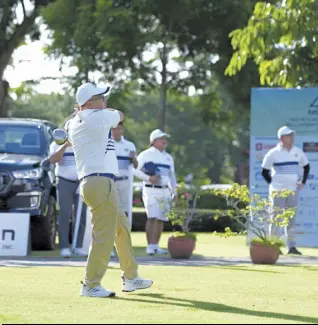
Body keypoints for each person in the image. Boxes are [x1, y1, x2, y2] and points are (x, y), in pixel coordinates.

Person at [68, 82, 153, 298]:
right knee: (103, 236)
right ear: (88, 103)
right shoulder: (97, 118)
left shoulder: (77, 121)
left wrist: (90, 108)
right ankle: (91, 284)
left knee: (121, 228)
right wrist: (103, 110)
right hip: (99, 182)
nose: (105, 101)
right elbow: (120, 115)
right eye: (101, 98)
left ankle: (131, 278)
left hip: (99, 183)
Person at [261, 126, 310, 255]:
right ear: (281, 138)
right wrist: (273, 184)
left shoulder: (297, 152)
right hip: (277, 191)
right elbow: (264, 171)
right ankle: (274, 246)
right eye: (289, 136)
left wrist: (303, 181)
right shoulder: (273, 153)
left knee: (291, 219)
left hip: (292, 190)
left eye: (292, 136)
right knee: (276, 218)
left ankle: (291, 247)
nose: (291, 138)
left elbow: (306, 166)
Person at [134, 129, 177, 255]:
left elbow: (172, 176)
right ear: (154, 141)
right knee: (152, 217)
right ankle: (150, 246)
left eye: (165, 139)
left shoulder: (168, 157)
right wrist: (148, 178)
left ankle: (156, 245)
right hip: (151, 190)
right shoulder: (145, 155)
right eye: (161, 138)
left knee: (161, 219)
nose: (164, 141)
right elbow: (135, 170)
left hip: (165, 191)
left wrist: (174, 191)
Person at [49, 120, 87, 258]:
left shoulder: (83, 143)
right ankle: (64, 246)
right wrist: (65, 146)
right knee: (64, 214)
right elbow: (54, 160)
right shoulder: (56, 144)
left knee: (81, 215)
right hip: (64, 181)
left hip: (82, 181)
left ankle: (78, 246)